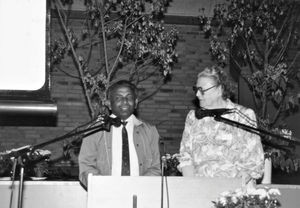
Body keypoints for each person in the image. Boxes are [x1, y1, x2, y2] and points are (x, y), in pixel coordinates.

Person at [178, 66, 264, 185]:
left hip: (234, 189)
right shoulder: (193, 117)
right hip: (198, 188)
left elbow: (254, 161)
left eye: (202, 90)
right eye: (196, 89)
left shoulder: (244, 115)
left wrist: (232, 191)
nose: (197, 94)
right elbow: (185, 157)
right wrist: (192, 185)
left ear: (219, 90)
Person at [78, 80, 161, 187]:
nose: (125, 101)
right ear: (109, 103)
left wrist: (139, 187)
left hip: (140, 196)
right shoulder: (95, 130)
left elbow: (156, 167)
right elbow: (86, 167)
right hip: (106, 196)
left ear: (135, 103)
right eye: (118, 98)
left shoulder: (150, 131)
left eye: (129, 97)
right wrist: (105, 188)